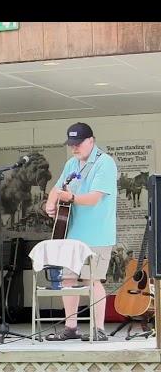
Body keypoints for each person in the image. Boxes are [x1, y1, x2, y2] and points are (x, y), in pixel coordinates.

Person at [44, 122, 117, 342]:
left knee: (92, 280)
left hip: (97, 234)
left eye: (78, 144)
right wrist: (51, 203)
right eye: (71, 144)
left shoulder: (104, 163)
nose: (75, 148)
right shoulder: (71, 164)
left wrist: (71, 198)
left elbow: (95, 198)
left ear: (91, 141)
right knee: (67, 280)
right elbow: (57, 189)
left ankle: (98, 329)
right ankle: (70, 328)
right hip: (71, 233)